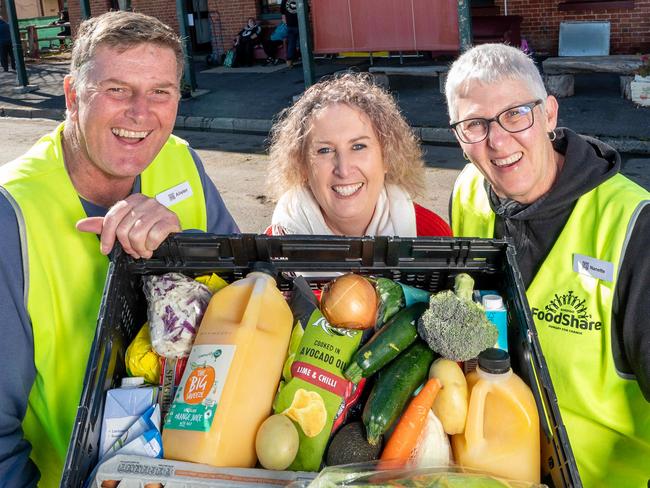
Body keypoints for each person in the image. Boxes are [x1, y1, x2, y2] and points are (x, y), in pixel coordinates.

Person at [0, 11, 238, 487]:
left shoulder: (180, 160)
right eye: (117, 90)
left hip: (194, 459)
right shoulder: (12, 216)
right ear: (72, 96)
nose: (140, 113)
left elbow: (245, 288)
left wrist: (182, 249)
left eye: (160, 93)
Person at [445, 43, 650, 487]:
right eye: (474, 125)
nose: (498, 141)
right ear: (460, 139)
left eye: (516, 113)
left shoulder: (635, 229)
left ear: (550, 114)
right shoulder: (466, 194)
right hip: (492, 468)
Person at [267, 73, 452, 237]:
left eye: (358, 146)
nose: (344, 170)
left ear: (387, 156)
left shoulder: (431, 234)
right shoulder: (274, 249)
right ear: (302, 166)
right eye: (324, 150)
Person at [280, 0, 299, 68]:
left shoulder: (284, 0)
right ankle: (306, 60)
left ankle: (289, 62)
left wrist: (286, 22)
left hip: (290, 25)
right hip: (300, 24)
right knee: (303, 43)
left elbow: (282, 12)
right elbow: (307, 10)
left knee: (291, 43)